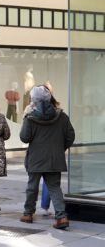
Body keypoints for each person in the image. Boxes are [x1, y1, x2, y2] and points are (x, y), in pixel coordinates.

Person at [20, 85, 75, 229]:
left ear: (33, 100)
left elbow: (24, 138)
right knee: (54, 187)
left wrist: (25, 118)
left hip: (35, 158)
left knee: (32, 187)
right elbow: (70, 136)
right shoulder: (61, 116)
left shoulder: (30, 117)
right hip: (54, 158)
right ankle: (61, 217)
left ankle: (28, 214)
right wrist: (59, 148)